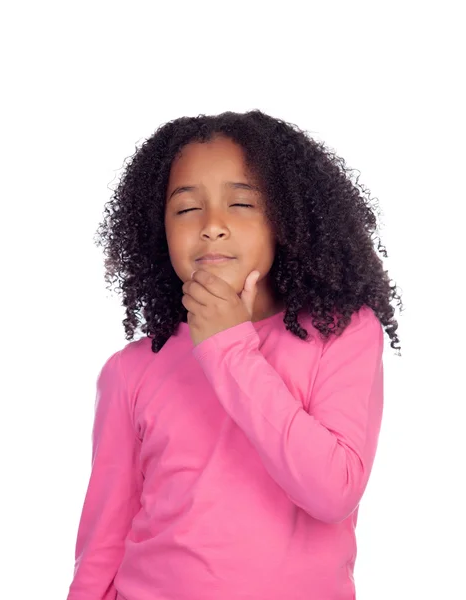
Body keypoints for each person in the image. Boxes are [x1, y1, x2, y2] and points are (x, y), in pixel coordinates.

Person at [66, 109, 403, 600]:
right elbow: (101, 544)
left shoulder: (343, 334)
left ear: (286, 218)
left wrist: (228, 348)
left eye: (241, 203)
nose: (212, 226)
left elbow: (333, 491)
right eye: (186, 210)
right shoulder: (130, 370)